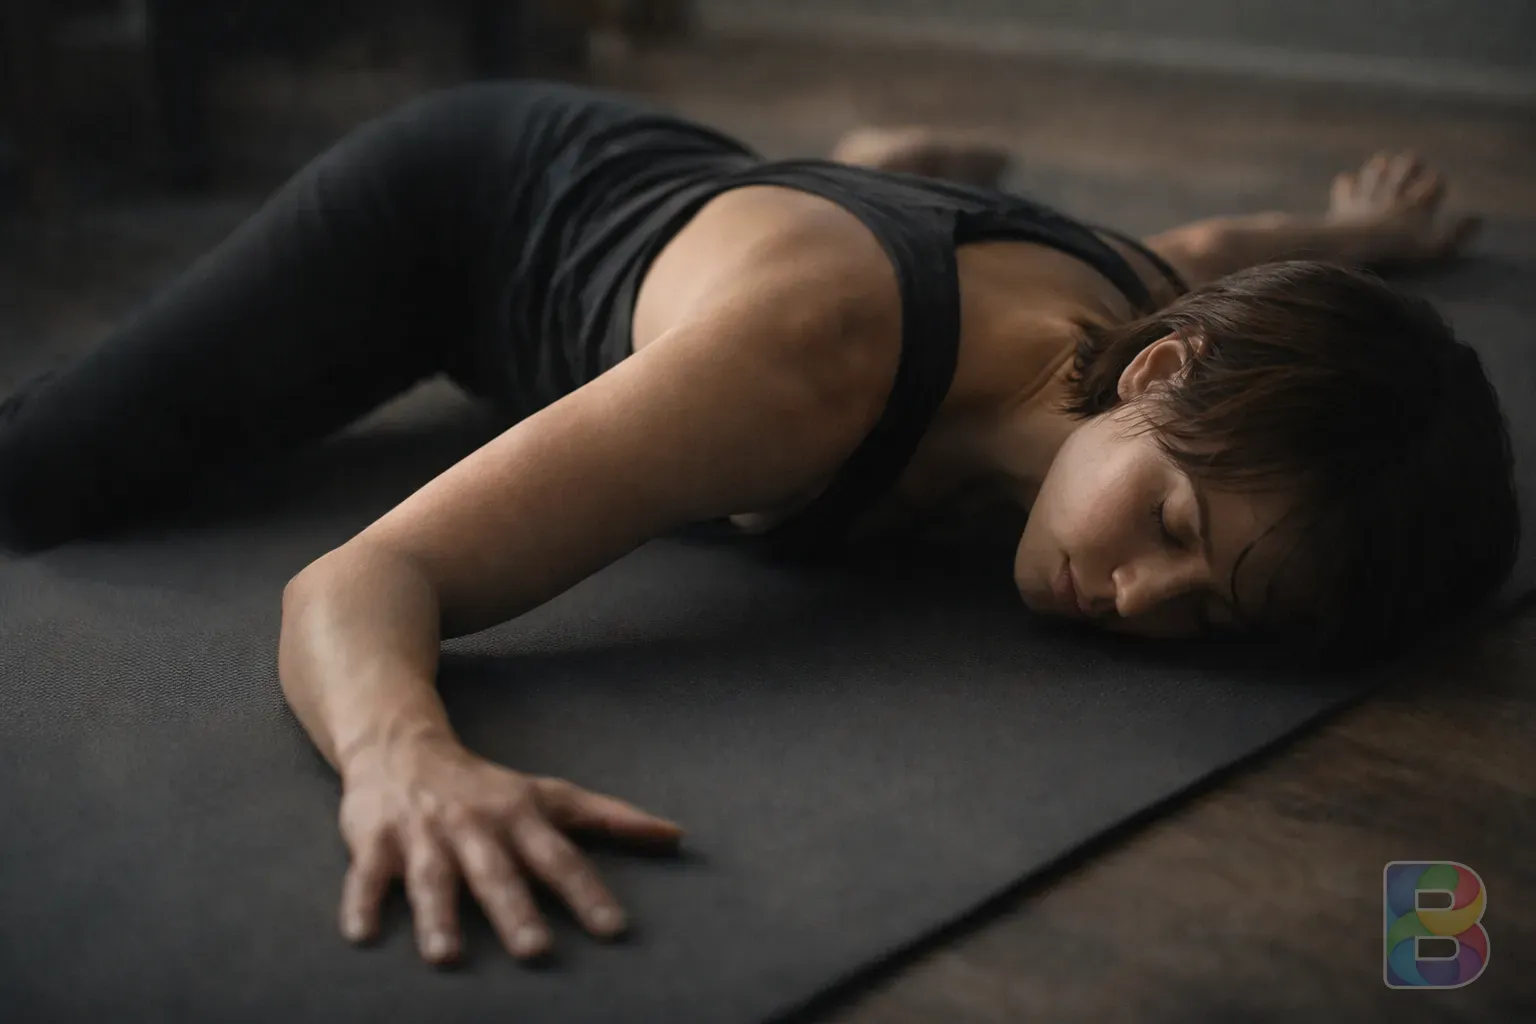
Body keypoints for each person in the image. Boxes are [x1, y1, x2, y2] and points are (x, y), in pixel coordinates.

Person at [0, 81, 1517, 967]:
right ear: (1160, 373)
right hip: (459, 215)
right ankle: (856, 175)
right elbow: (359, 579)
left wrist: (1364, 238)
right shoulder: (807, 366)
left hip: (720, 198)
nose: (1139, 598)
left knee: (768, 218)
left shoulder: (1145, 305)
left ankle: (860, 165)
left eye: (1215, 613)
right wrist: (408, 764)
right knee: (41, 476)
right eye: (1174, 523)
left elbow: (1217, 247)